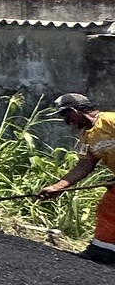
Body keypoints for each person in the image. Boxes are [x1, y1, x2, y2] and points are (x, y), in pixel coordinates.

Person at [40, 92, 115, 264]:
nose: (66, 122)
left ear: (74, 111)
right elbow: (84, 165)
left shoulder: (111, 121)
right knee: (108, 209)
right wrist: (57, 187)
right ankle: (103, 252)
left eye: (64, 115)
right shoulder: (86, 137)